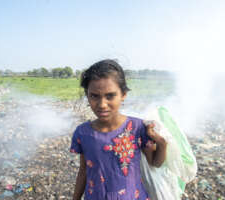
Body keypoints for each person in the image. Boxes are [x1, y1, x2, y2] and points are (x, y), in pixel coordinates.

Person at [70, 59, 167, 200]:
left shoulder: (137, 128)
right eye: (94, 96)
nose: (102, 104)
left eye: (110, 96)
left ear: (123, 94)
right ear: (87, 96)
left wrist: (162, 143)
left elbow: (155, 162)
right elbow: (84, 170)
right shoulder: (83, 133)